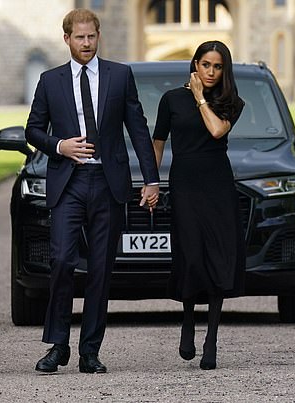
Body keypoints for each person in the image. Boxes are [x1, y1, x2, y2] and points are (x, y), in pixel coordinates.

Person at [26, 8, 160, 374]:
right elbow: (32, 130)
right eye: (79, 37)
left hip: (108, 182)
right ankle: (57, 345)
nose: (86, 43)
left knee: (101, 268)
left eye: (91, 36)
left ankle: (90, 351)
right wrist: (60, 146)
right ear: (66, 38)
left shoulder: (120, 75)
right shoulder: (50, 80)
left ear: (98, 35)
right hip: (68, 182)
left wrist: (151, 179)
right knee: (62, 260)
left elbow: (137, 127)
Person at [152, 40, 245, 370]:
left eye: (218, 66)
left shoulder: (230, 101)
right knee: (191, 255)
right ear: (195, 64)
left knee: (218, 256)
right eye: (206, 64)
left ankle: (212, 340)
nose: (211, 71)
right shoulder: (171, 100)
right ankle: (189, 321)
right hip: (185, 185)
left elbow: (217, 130)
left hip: (217, 185)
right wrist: (151, 181)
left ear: (224, 70)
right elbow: (158, 142)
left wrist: (200, 98)